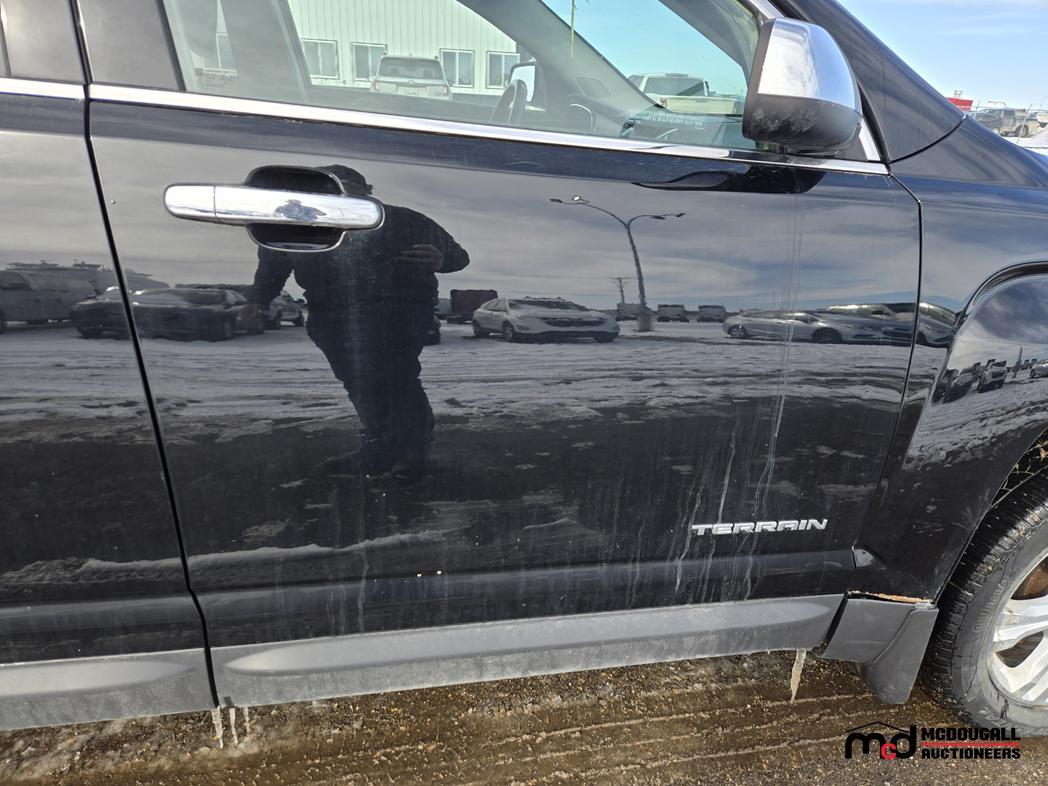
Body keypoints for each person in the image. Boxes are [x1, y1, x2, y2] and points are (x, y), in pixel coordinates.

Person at [244, 165, 469, 475]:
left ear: (366, 190)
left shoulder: (405, 220)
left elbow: (459, 256)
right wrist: (257, 301)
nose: (338, 192)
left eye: (346, 185)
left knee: (397, 381)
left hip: (397, 314)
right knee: (358, 383)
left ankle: (414, 455)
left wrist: (441, 260)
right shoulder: (297, 225)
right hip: (330, 315)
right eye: (328, 187)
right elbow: (272, 267)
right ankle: (378, 449)